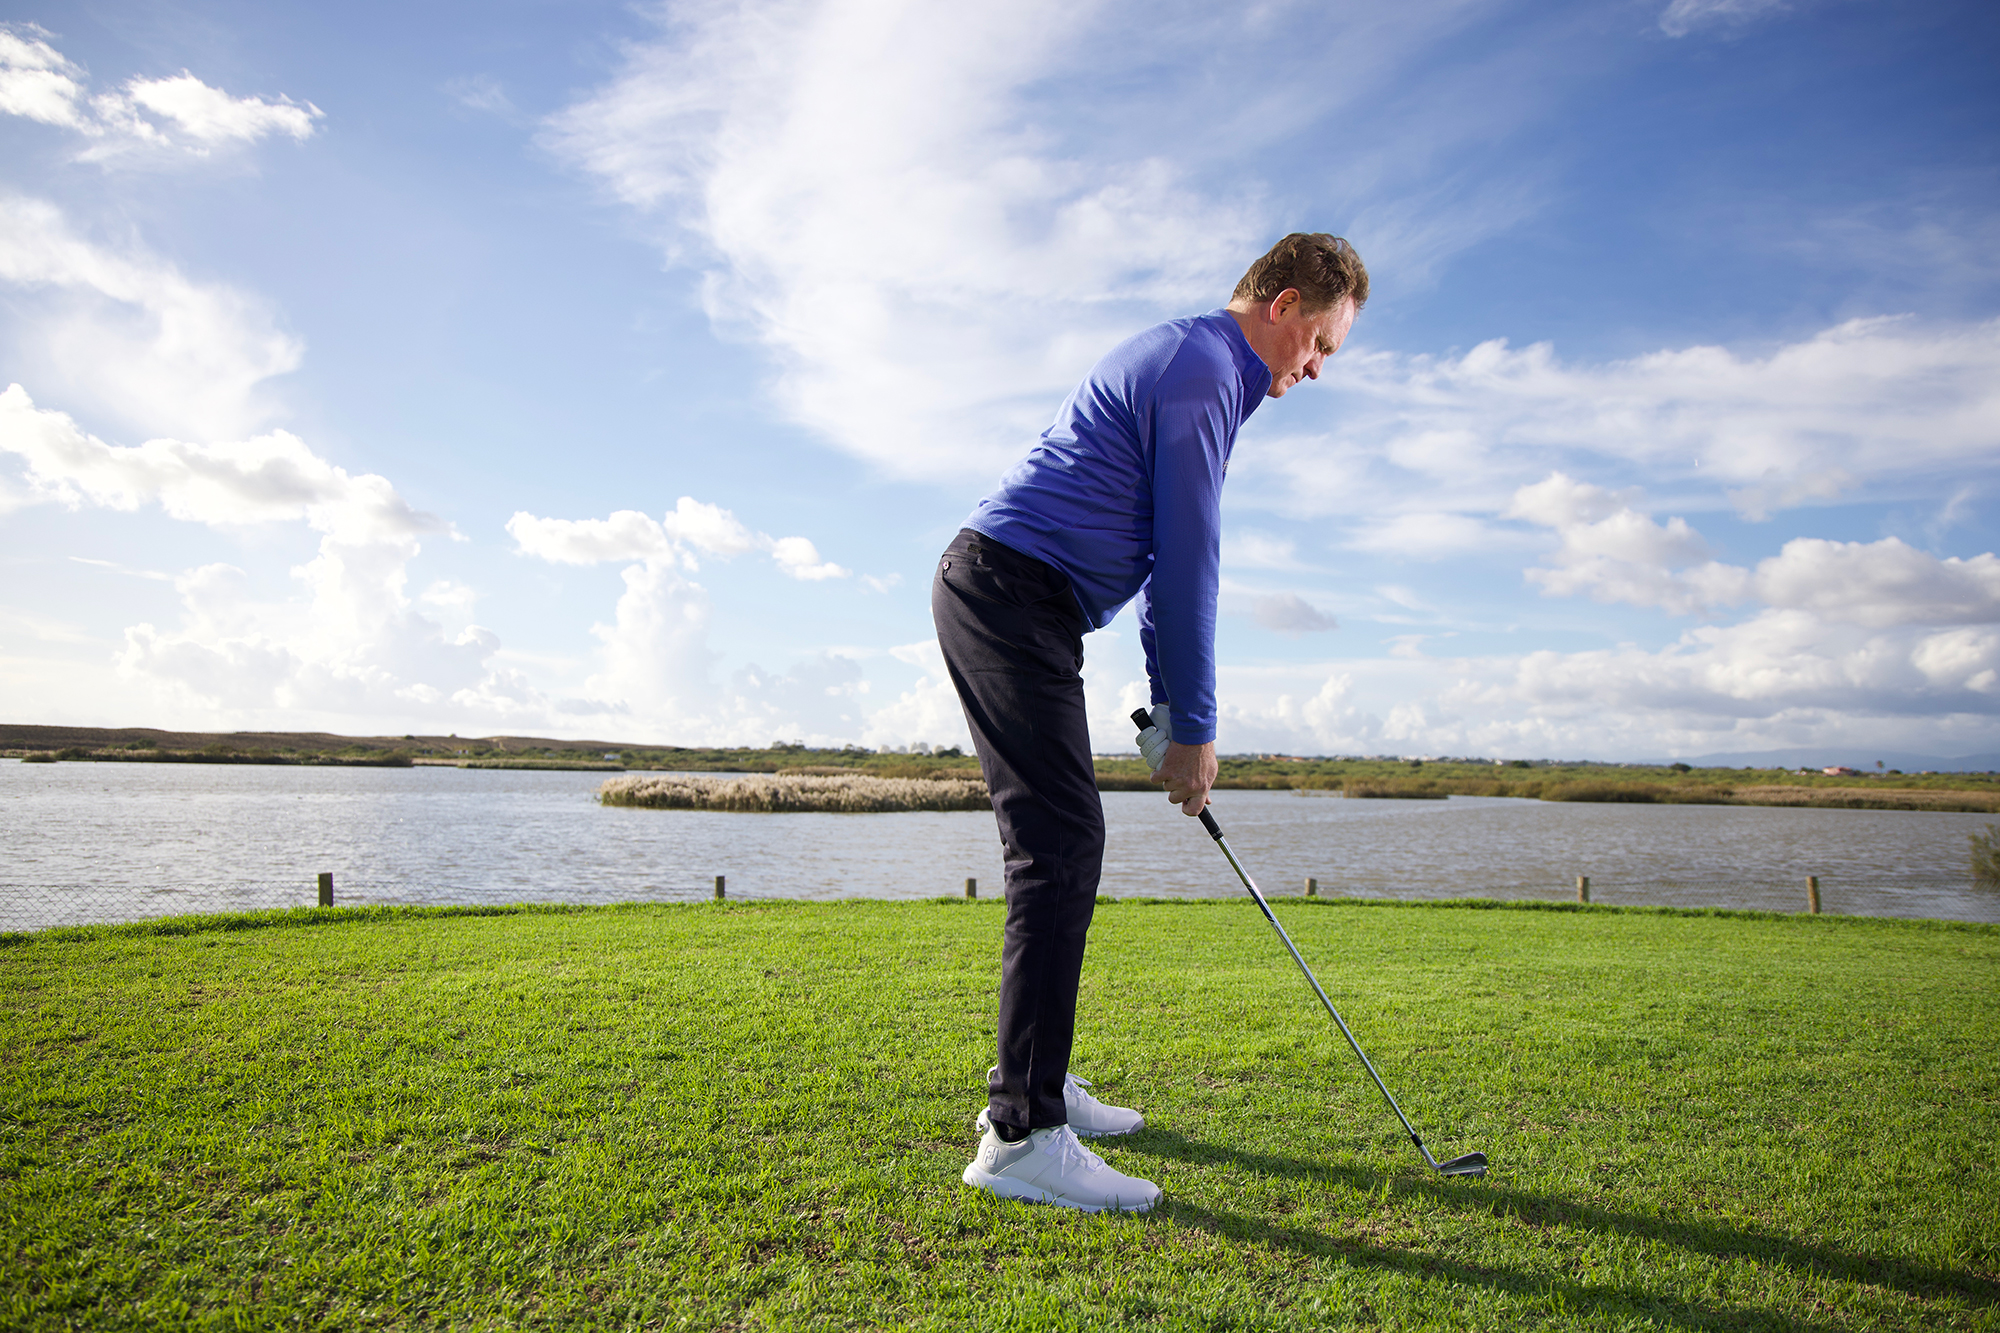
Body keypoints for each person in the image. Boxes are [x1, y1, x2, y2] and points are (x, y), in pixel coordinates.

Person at [932, 233, 1368, 1212]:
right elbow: (1185, 561)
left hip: (1021, 599)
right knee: (1059, 842)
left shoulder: (1196, 362)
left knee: (1059, 838)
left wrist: (1176, 712)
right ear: (1285, 302)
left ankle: (1038, 1089)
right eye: (1321, 346)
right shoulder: (1206, 367)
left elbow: (1168, 561)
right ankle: (1020, 1135)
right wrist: (1194, 728)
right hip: (1007, 591)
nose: (1314, 370)